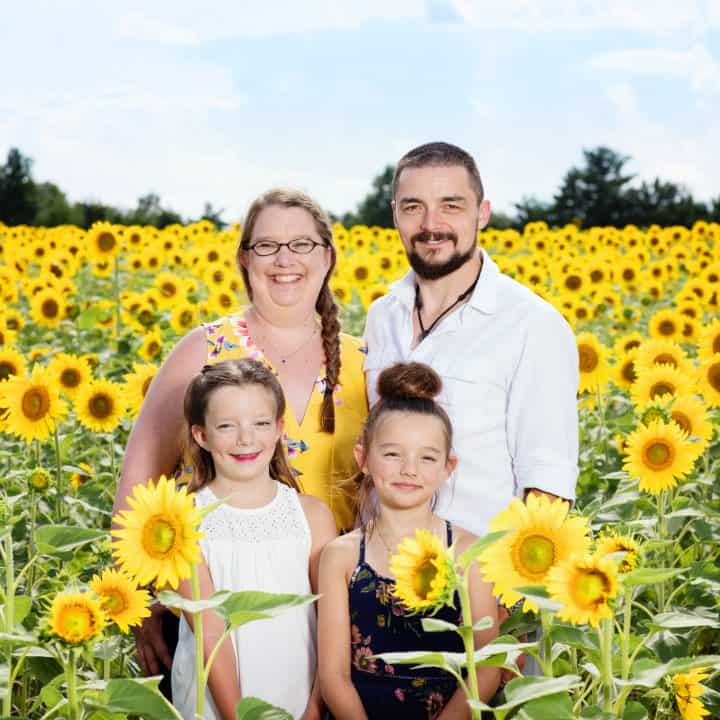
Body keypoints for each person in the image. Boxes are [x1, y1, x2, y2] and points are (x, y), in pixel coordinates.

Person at [115, 189, 368, 694]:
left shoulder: (366, 361)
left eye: (301, 244)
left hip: (338, 618)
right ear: (244, 259)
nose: (285, 260)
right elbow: (136, 489)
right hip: (213, 608)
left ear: (328, 257)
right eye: (267, 245)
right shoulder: (203, 350)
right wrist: (143, 602)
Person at [364, 142, 579, 537]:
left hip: (478, 580)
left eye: (451, 205)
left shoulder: (532, 325)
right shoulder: (382, 316)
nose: (431, 224)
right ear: (396, 215)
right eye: (413, 206)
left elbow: (548, 482)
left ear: (482, 214)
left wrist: (511, 591)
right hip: (381, 572)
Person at [318, 362, 500, 719]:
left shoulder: (469, 552)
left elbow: (487, 667)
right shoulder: (340, 557)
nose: (409, 469)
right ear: (363, 458)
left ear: (448, 467)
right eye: (392, 454)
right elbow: (333, 676)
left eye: (427, 457)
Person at [172, 359, 336, 719]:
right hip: (218, 706)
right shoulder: (182, 519)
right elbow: (210, 632)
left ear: (279, 428)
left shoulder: (312, 515)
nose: (246, 439)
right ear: (201, 435)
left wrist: (314, 708)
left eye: (261, 424)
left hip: (298, 699)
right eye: (227, 426)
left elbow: (332, 624)